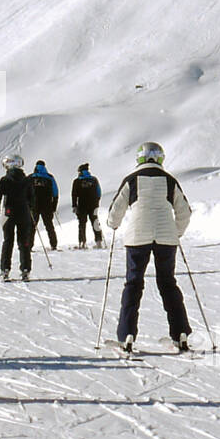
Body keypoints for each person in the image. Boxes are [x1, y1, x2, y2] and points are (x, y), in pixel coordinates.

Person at [107, 141, 193, 353]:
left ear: (139, 158)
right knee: (168, 283)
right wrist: (176, 231)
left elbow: (115, 210)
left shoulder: (132, 180)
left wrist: (113, 224)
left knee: (133, 283)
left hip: (137, 236)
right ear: (160, 158)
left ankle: (126, 334)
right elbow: (185, 211)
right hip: (166, 238)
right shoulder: (169, 180)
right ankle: (180, 333)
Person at [0, 155, 36, 281]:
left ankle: (5, 270)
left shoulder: (5, 180)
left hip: (9, 212)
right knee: (24, 242)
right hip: (24, 213)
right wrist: (31, 208)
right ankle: (25, 270)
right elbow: (32, 198)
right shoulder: (27, 180)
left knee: (8, 241)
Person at [28, 160, 60, 251]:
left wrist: (27, 204)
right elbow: (55, 193)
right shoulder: (50, 177)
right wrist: (54, 206)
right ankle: (53, 245)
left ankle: (29, 246)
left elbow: (25, 191)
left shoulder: (31, 177)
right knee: (49, 226)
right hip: (47, 206)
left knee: (32, 226)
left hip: (34, 206)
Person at [71, 163, 103, 248]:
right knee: (95, 222)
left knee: (82, 224)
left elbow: (74, 194)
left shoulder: (77, 181)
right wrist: (97, 202)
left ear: (80, 171)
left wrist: (74, 205)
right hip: (93, 205)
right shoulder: (94, 180)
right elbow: (99, 192)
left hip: (82, 206)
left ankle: (82, 242)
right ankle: (98, 241)